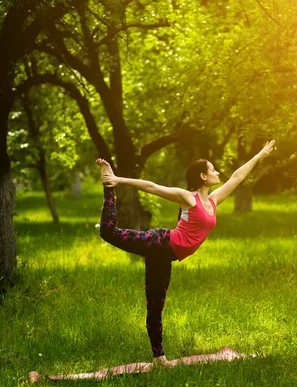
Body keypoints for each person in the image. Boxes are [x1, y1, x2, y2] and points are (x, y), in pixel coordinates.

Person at [96, 139, 275, 367]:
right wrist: (117, 180)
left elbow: (237, 177)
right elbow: (153, 187)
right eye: (212, 169)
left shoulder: (213, 200)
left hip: (165, 254)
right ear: (202, 176)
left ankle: (159, 358)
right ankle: (107, 186)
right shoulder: (188, 198)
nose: (217, 172)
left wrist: (259, 155)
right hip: (159, 243)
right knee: (108, 232)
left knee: (155, 304)